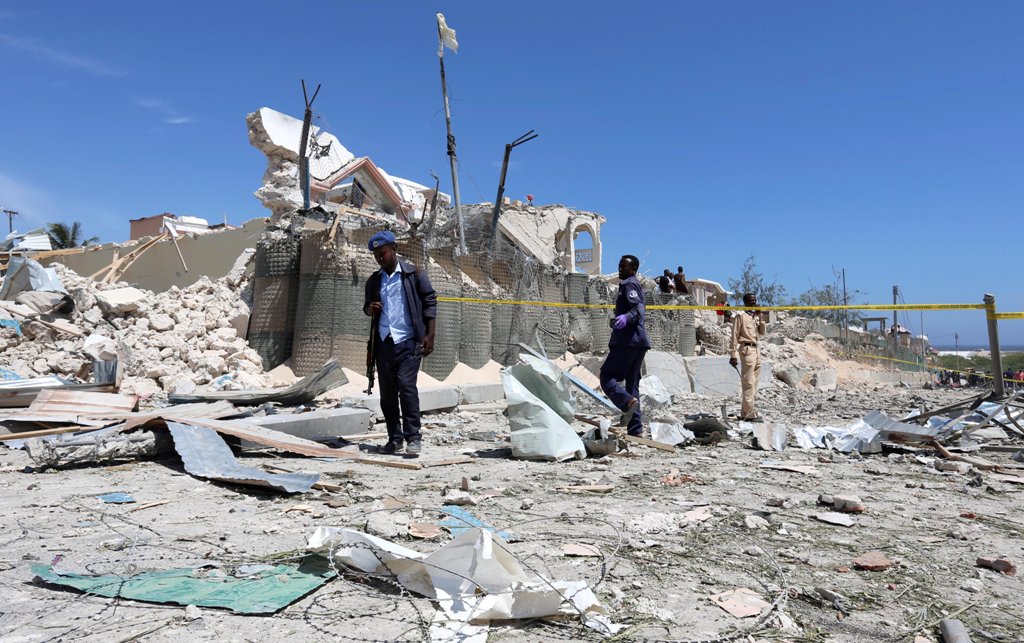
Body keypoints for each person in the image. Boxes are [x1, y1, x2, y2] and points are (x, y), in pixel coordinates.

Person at [363, 231, 437, 455]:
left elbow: (430, 302)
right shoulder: (374, 280)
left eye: (382, 253)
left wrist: (430, 335)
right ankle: (394, 439)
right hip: (384, 344)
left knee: (406, 387)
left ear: (394, 249)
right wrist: (370, 308)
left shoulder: (414, 274)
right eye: (376, 255)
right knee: (387, 394)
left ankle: (413, 438)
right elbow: (366, 307)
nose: (379, 258)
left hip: (408, 341)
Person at [599, 255, 651, 437]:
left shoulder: (629, 285)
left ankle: (627, 402)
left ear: (633, 269)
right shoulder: (630, 284)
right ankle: (635, 430)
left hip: (628, 341)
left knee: (606, 376)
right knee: (632, 384)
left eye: (624, 267)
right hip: (637, 342)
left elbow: (638, 309)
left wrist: (625, 318)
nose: (620, 270)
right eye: (619, 266)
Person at [729, 292, 767, 421]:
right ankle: (749, 414)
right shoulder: (741, 316)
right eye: (751, 300)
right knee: (748, 382)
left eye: (755, 300)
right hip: (747, 349)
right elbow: (734, 335)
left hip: (756, 349)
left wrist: (760, 316)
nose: (754, 302)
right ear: (745, 302)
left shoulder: (754, 317)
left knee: (754, 383)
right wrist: (732, 354)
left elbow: (762, 332)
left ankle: (746, 411)